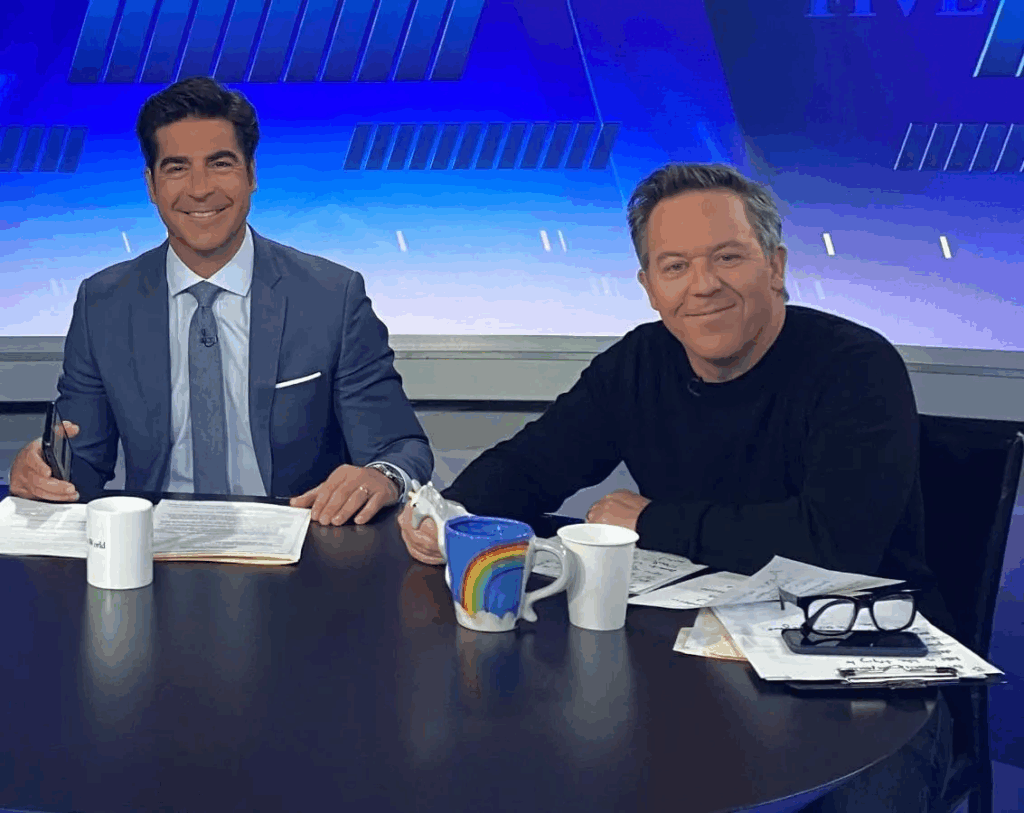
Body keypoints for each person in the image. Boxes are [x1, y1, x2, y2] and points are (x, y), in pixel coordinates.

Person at [398, 162, 952, 812]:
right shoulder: (640, 361)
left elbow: (832, 547)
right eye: (676, 266)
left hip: (869, 674)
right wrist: (453, 515)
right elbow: (533, 462)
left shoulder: (856, 367)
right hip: (703, 659)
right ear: (649, 287)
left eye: (728, 257)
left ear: (775, 266)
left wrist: (652, 521)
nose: (704, 285)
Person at [10, 77, 431, 525]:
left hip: (301, 544)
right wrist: (42, 473)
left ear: (251, 174)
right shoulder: (103, 303)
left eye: (220, 163)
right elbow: (81, 463)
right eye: (176, 168)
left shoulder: (331, 296)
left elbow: (401, 448)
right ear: (151, 185)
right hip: (156, 545)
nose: (199, 189)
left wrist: (382, 476)